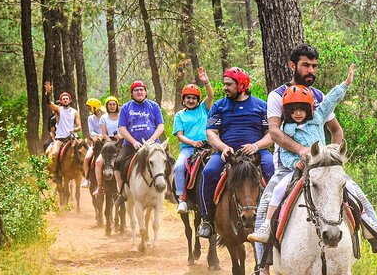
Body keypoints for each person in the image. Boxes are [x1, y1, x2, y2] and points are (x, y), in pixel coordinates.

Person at [246, 44, 377, 275]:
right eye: (306, 65)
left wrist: (332, 156)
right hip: (288, 168)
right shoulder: (277, 95)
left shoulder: (320, 97)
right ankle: (262, 272)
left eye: (314, 66)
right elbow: (275, 133)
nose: (311, 70)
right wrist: (302, 151)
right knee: (266, 205)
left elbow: (336, 130)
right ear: (293, 66)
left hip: (322, 168)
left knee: (358, 195)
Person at [249, 64, 377, 242]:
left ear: (309, 108)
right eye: (293, 110)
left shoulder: (318, 117)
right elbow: (285, 153)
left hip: (323, 168)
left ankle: (369, 225)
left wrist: (345, 84)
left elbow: (331, 100)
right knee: (277, 191)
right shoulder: (287, 129)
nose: (298, 113)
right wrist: (296, 162)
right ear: (287, 111)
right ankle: (267, 226)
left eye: (301, 108)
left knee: (352, 190)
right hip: (299, 171)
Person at [196, 67, 274, 238]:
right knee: (208, 173)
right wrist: (223, 147)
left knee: (272, 169)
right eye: (225, 84)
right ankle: (207, 219)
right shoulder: (218, 106)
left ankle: (275, 219)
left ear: (242, 85)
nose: (225, 88)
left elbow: (272, 134)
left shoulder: (262, 106)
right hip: (227, 154)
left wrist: (256, 145)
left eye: (229, 84)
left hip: (256, 154)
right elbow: (210, 133)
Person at [113, 81, 165, 204]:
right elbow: (122, 128)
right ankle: (122, 193)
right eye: (136, 90)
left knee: (170, 160)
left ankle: (168, 192)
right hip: (131, 145)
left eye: (142, 90)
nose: (139, 92)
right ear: (132, 94)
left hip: (153, 145)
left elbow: (161, 126)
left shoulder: (154, 106)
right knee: (118, 163)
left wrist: (151, 140)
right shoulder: (126, 108)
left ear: (146, 92)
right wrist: (134, 142)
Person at [173, 67, 214, 214]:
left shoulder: (203, 108)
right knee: (178, 167)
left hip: (207, 146)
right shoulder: (179, 115)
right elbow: (179, 135)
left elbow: (210, 96)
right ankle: (182, 199)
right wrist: (192, 143)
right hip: (188, 148)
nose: (191, 100)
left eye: (194, 98)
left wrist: (206, 82)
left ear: (198, 100)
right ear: (183, 99)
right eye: (188, 98)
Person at [44, 81, 82, 176]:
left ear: (70, 100)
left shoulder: (75, 112)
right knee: (55, 153)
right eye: (63, 99)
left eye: (67, 98)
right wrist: (48, 93)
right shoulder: (58, 109)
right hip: (60, 138)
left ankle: (85, 173)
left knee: (84, 151)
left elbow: (79, 127)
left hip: (73, 138)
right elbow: (49, 103)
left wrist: (74, 130)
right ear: (61, 101)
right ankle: (57, 172)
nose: (65, 100)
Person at [92, 96, 121, 198]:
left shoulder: (122, 116)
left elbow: (125, 129)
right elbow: (104, 133)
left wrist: (120, 137)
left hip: (121, 142)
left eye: (114, 104)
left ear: (117, 105)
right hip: (108, 144)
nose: (112, 106)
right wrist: (109, 141)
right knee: (98, 162)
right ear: (107, 106)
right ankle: (100, 187)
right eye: (110, 104)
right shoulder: (104, 118)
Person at [82, 98, 104, 188]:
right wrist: (98, 136)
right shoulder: (90, 118)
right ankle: (87, 179)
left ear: (94, 107)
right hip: (96, 142)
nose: (89, 109)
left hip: (108, 141)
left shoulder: (106, 116)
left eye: (89, 107)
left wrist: (104, 135)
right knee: (87, 158)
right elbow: (91, 131)